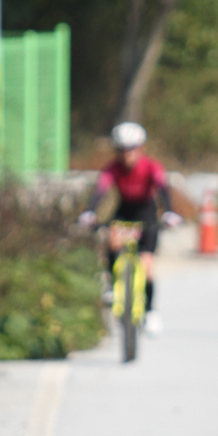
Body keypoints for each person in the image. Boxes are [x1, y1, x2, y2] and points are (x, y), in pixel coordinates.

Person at [79, 122, 182, 334]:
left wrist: (169, 212)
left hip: (146, 212)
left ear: (140, 148)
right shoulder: (113, 168)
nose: (127, 154)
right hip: (124, 210)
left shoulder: (151, 166)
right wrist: (90, 211)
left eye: (132, 149)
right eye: (122, 150)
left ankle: (150, 311)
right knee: (112, 238)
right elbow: (101, 190)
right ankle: (111, 285)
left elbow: (163, 189)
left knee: (146, 265)